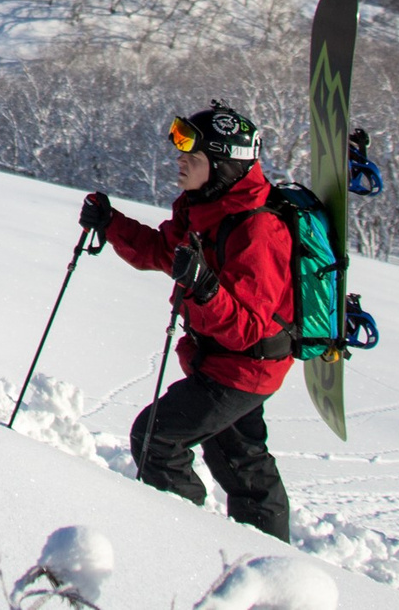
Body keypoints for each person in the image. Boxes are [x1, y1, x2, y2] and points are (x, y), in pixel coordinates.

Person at [80, 101, 294, 541]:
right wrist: (112, 224)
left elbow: (250, 327)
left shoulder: (257, 229)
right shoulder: (204, 208)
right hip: (220, 360)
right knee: (241, 462)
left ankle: (183, 545)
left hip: (245, 366)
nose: (180, 163)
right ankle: (268, 559)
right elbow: (164, 253)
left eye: (192, 158)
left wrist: (207, 290)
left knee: (156, 436)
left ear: (222, 168)